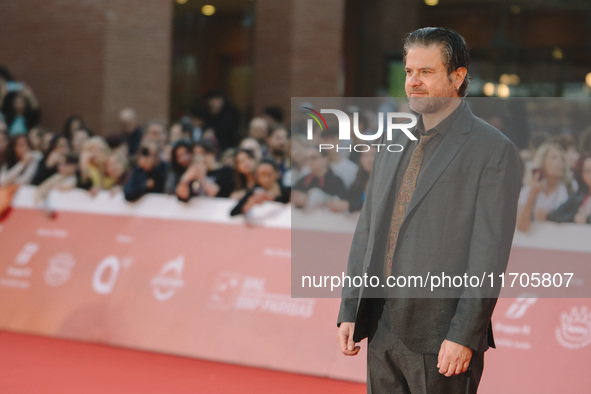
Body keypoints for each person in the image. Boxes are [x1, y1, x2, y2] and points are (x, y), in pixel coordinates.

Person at [336, 27, 521, 394]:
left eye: (426, 71)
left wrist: (464, 334)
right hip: (380, 325)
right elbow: (368, 231)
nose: (413, 82)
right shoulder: (392, 141)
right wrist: (350, 309)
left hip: (442, 334)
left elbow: (488, 255)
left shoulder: (492, 150)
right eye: (408, 72)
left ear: (457, 76)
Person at [516, 142, 573, 232]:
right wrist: (532, 195)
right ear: (542, 162)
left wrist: (548, 216)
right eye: (554, 158)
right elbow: (521, 226)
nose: (560, 162)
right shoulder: (529, 190)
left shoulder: (571, 188)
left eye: (562, 159)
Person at [547, 153, 591, 224]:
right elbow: (554, 215)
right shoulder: (578, 196)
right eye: (587, 171)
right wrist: (573, 217)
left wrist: (587, 219)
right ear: (581, 175)